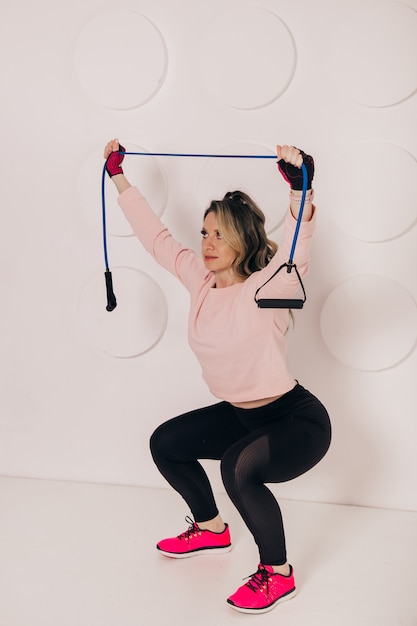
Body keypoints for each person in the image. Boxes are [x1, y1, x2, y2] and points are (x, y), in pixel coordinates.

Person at [103, 139, 331, 614]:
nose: (207, 243)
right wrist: (118, 178)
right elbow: (156, 237)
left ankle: (278, 573)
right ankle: (210, 529)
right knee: (165, 443)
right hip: (240, 417)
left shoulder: (267, 285)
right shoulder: (198, 278)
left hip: (294, 421)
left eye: (219, 235)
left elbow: (296, 243)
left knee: (236, 468)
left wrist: (299, 192)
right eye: (205, 233)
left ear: (243, 241)